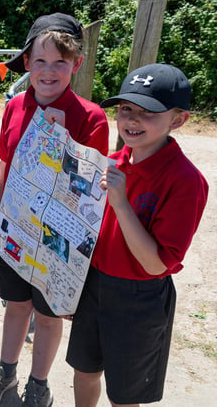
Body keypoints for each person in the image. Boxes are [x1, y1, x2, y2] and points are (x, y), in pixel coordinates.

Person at [0, 13, 109, 407]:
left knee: (49, 317)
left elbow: (88, 193)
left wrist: (63, 139)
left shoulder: (92, 117)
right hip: (16, 225)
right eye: (40, 62)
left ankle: (39, 383)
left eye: (59, 63)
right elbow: (4, 165)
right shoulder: (15, 106)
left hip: (58, 237)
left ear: (76, 64)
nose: (48, 72)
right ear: (27, 63)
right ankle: (6, 370)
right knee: (16, 306)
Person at [66, 63, 208, 407]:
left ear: (178, 120)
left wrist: (121, 202)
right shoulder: (109, 162)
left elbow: (156, 264)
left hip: (138, 298)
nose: (132, 120)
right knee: (83, 372)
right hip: (94, 283)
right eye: (126, 109)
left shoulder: (186, 181)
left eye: (148, 113)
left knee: (124, 393)